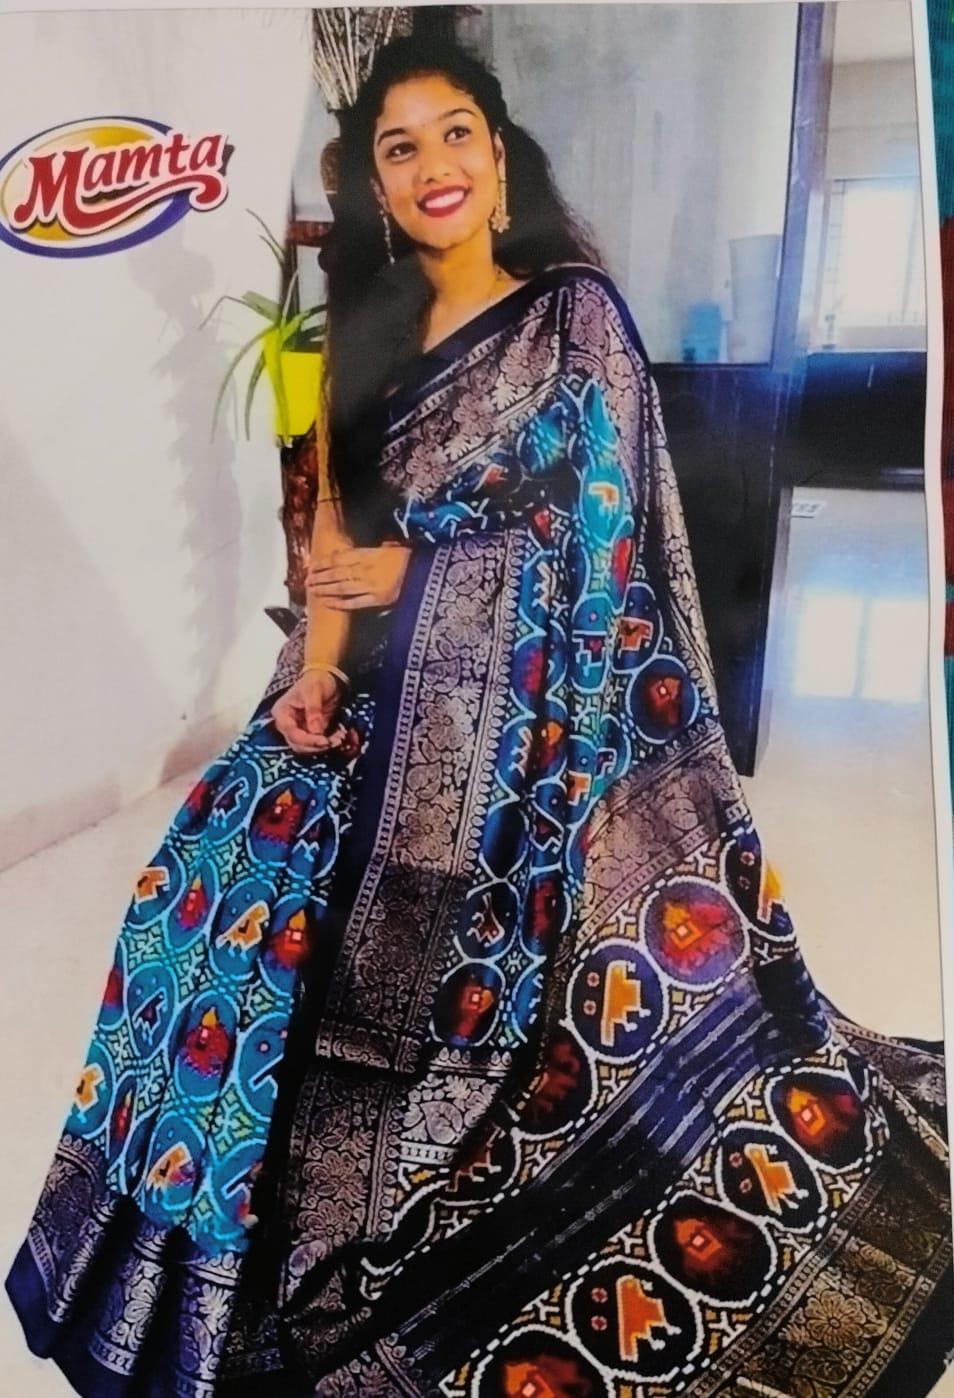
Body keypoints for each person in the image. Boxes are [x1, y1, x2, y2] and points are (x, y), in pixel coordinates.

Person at [6, 32, 953, 1398]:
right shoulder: (363, 342)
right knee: (198, 885)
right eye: (401, 149)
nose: (433, 165)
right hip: (371, 712)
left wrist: (423, 577)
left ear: (499, 159)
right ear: (377, 186)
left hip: (531, 741)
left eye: (455, 133)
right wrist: (316, 670)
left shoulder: (574, 321)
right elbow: (334, 534)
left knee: (353, 951)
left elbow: (604, 549)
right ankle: (175, 1268)